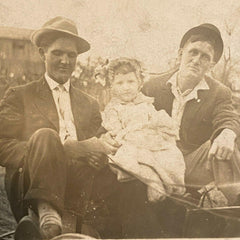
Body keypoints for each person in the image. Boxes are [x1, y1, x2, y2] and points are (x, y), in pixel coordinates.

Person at [0, 16, 117, 240]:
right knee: (46, 136)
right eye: (57, 53)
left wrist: (97, 154)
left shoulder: (89, 103)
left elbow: (98, 143)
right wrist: (65, 150)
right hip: (31, 185)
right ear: (42, 53)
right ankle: (47, 214)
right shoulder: (20, 95)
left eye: (71, 55)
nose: (65, 60)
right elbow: (3, 145)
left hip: (80, 187)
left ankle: (86, 228)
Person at [142, 23, 240, 205]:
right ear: (180, 54)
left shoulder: (219, 92)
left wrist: (227, 133)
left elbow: (228, 116)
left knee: (226, 144)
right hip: (155, 161)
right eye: (193, 52)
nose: (196, 60)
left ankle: (236, 208)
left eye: (205, 57)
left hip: (190, 164)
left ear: (211, 65)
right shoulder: (152, 86)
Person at [101, 57, 186, 202]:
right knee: (128, 156)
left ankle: (172, 186)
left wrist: (159, 125)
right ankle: (153, 181)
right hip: (130, 142)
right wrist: (130, 132)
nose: (126, 87)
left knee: (173, 155)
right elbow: (113, 130)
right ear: (112, 87)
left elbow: (156, 121)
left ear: (139, 84)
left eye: (131, 82)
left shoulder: (146, 103)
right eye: (120, 83)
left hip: (151, 141)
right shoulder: (113, 108)